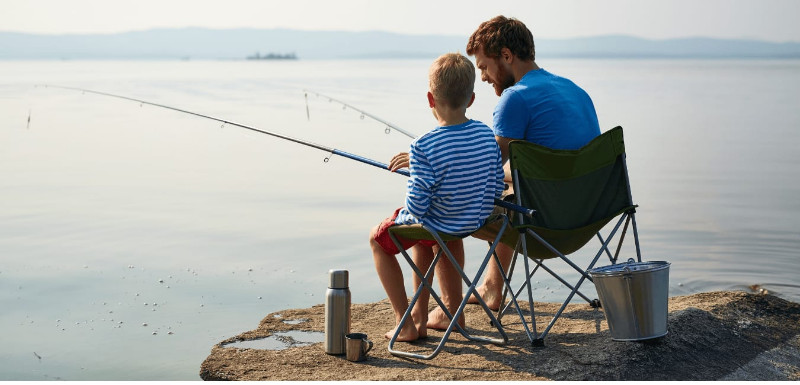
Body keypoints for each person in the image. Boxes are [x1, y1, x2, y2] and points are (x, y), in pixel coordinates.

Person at [419, 15, 602, 328]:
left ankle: (449, 310)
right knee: (509, 189)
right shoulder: (575, 90)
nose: (485, 78)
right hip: (589, 214)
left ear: (506, 55)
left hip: (541, 223)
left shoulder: (514, 99)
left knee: (442, 205)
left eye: (485, 67)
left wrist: (428, 161)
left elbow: (477, 170)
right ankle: (492, 286)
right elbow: (536, 165)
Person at [370, 52, 505, 342]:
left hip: (439, 224)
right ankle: (445, 314)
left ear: (430, 99)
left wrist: (416, 179)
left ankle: (404, 321)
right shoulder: (485, 135)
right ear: (470, 99)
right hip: (475, 221)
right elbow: (496, 188)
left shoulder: (422, 146)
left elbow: (417, 207)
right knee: (433, 237)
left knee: (378, 239)